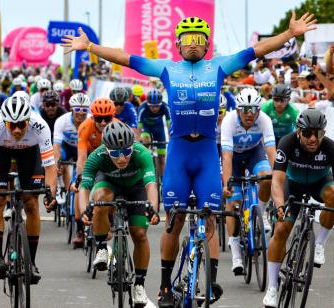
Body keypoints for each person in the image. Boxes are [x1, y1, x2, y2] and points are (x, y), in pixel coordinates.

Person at [62, 12, 317, 307]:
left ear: (206, 44)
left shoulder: (219, 66)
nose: (193, 45)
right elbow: (126, 57)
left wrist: (288, 34)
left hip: (206, 152)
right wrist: (91, 47)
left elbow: (258, 50)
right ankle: (165, 287)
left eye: (199, 40)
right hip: (180, 152)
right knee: (174, 220)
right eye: (188, 40)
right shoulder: (168, 69)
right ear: (178, 45)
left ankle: (209, 281)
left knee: (209, 217)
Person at [262, 108, 334, 307]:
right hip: (292, 185)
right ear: (298, 131)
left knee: (333, 197)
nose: (313, 138)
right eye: (308, 133)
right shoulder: (287, 142)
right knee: (281, 229)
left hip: (320, 184)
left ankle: (319, 244)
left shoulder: (332, 149)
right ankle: (273, 288)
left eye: (319, 133)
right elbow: (277, 181)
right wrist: (279, 206)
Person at [79, 121, 160, 306]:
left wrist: (152, 208)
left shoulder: (142, 153)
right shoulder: (96, 156)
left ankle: (139, 285)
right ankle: (100, 246)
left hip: (136, 187)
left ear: (132, 147)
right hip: (109, 183)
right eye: (115, 153)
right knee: (100, 199)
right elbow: (84, 188)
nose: (122, 158)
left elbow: (151, 185)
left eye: (126, 152)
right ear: (106, 150)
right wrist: (85, 209)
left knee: (139, 234)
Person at [0, 95, 57, 283]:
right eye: (11, 125)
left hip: (29, 154)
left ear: (28, 120)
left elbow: (50, 168)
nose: (16, 130)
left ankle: (32, 263)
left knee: (31, 202)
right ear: (4, 121)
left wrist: (51, 193)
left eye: (21, 125)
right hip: (1, 152)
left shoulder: (40, 126)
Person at [221, 88, 276, 274]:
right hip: (234, 158)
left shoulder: (265, 120)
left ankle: (260, 212)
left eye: (253, 109)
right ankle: (236, 251)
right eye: (245, 109)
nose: (249, 114)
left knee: (267, 177)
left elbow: (271, 151)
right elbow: (226, 157)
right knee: (232, 202)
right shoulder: (228, 121)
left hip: (254, 153)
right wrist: (227, 184)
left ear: (259, 110)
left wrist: (277, 176)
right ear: (238, 110)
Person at [53, 93, 91, 247]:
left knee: (80, 179)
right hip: (67, 148)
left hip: (84, 149)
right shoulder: (62, 121)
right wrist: (56, 163)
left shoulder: (90, 120)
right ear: (71, 109)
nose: (80, 112)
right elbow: (56, 145)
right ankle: (62, 187)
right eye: (77, 109)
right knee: (59, 160)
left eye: (84, 109)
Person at [74, 98, 117, 235]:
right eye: (99, 119)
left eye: (107, 118)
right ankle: (80, 227)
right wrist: (81, 175)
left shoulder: (118, 127)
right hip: (90, 159)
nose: (103, 123)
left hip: (111, 161)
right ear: (92, 117)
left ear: (113, 117)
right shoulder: (85, 127)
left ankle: (109, 217)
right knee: (79, 188)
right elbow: (81, 157)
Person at [137, 88, 171, 176]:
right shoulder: (142, 108)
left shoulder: (165, 106)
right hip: (146, 128)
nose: (155, 108)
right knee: (146, 140)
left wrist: (171, 139)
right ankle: (147, 159)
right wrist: (137, 140)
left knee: (162, 158)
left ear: (161, 104)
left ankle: (163, 181)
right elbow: (139, 128)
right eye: (152, 106)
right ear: (148, 104)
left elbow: (169, 126)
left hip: (159, 129)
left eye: (157, 106)